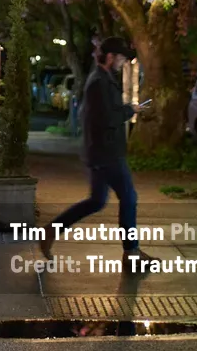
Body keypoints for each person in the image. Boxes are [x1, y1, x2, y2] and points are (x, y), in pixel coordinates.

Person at [40, 37, 155, 267]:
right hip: (106, 152)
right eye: (121, 58)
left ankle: (51, 230)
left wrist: (126, 110)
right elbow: (105, 118)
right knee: (129, 198)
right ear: (110, 57)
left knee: (96, 201)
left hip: (101, 151)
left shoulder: (102, 80)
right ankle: (131, 253)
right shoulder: (98, 83)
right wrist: (128, 110)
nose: (123, 63)